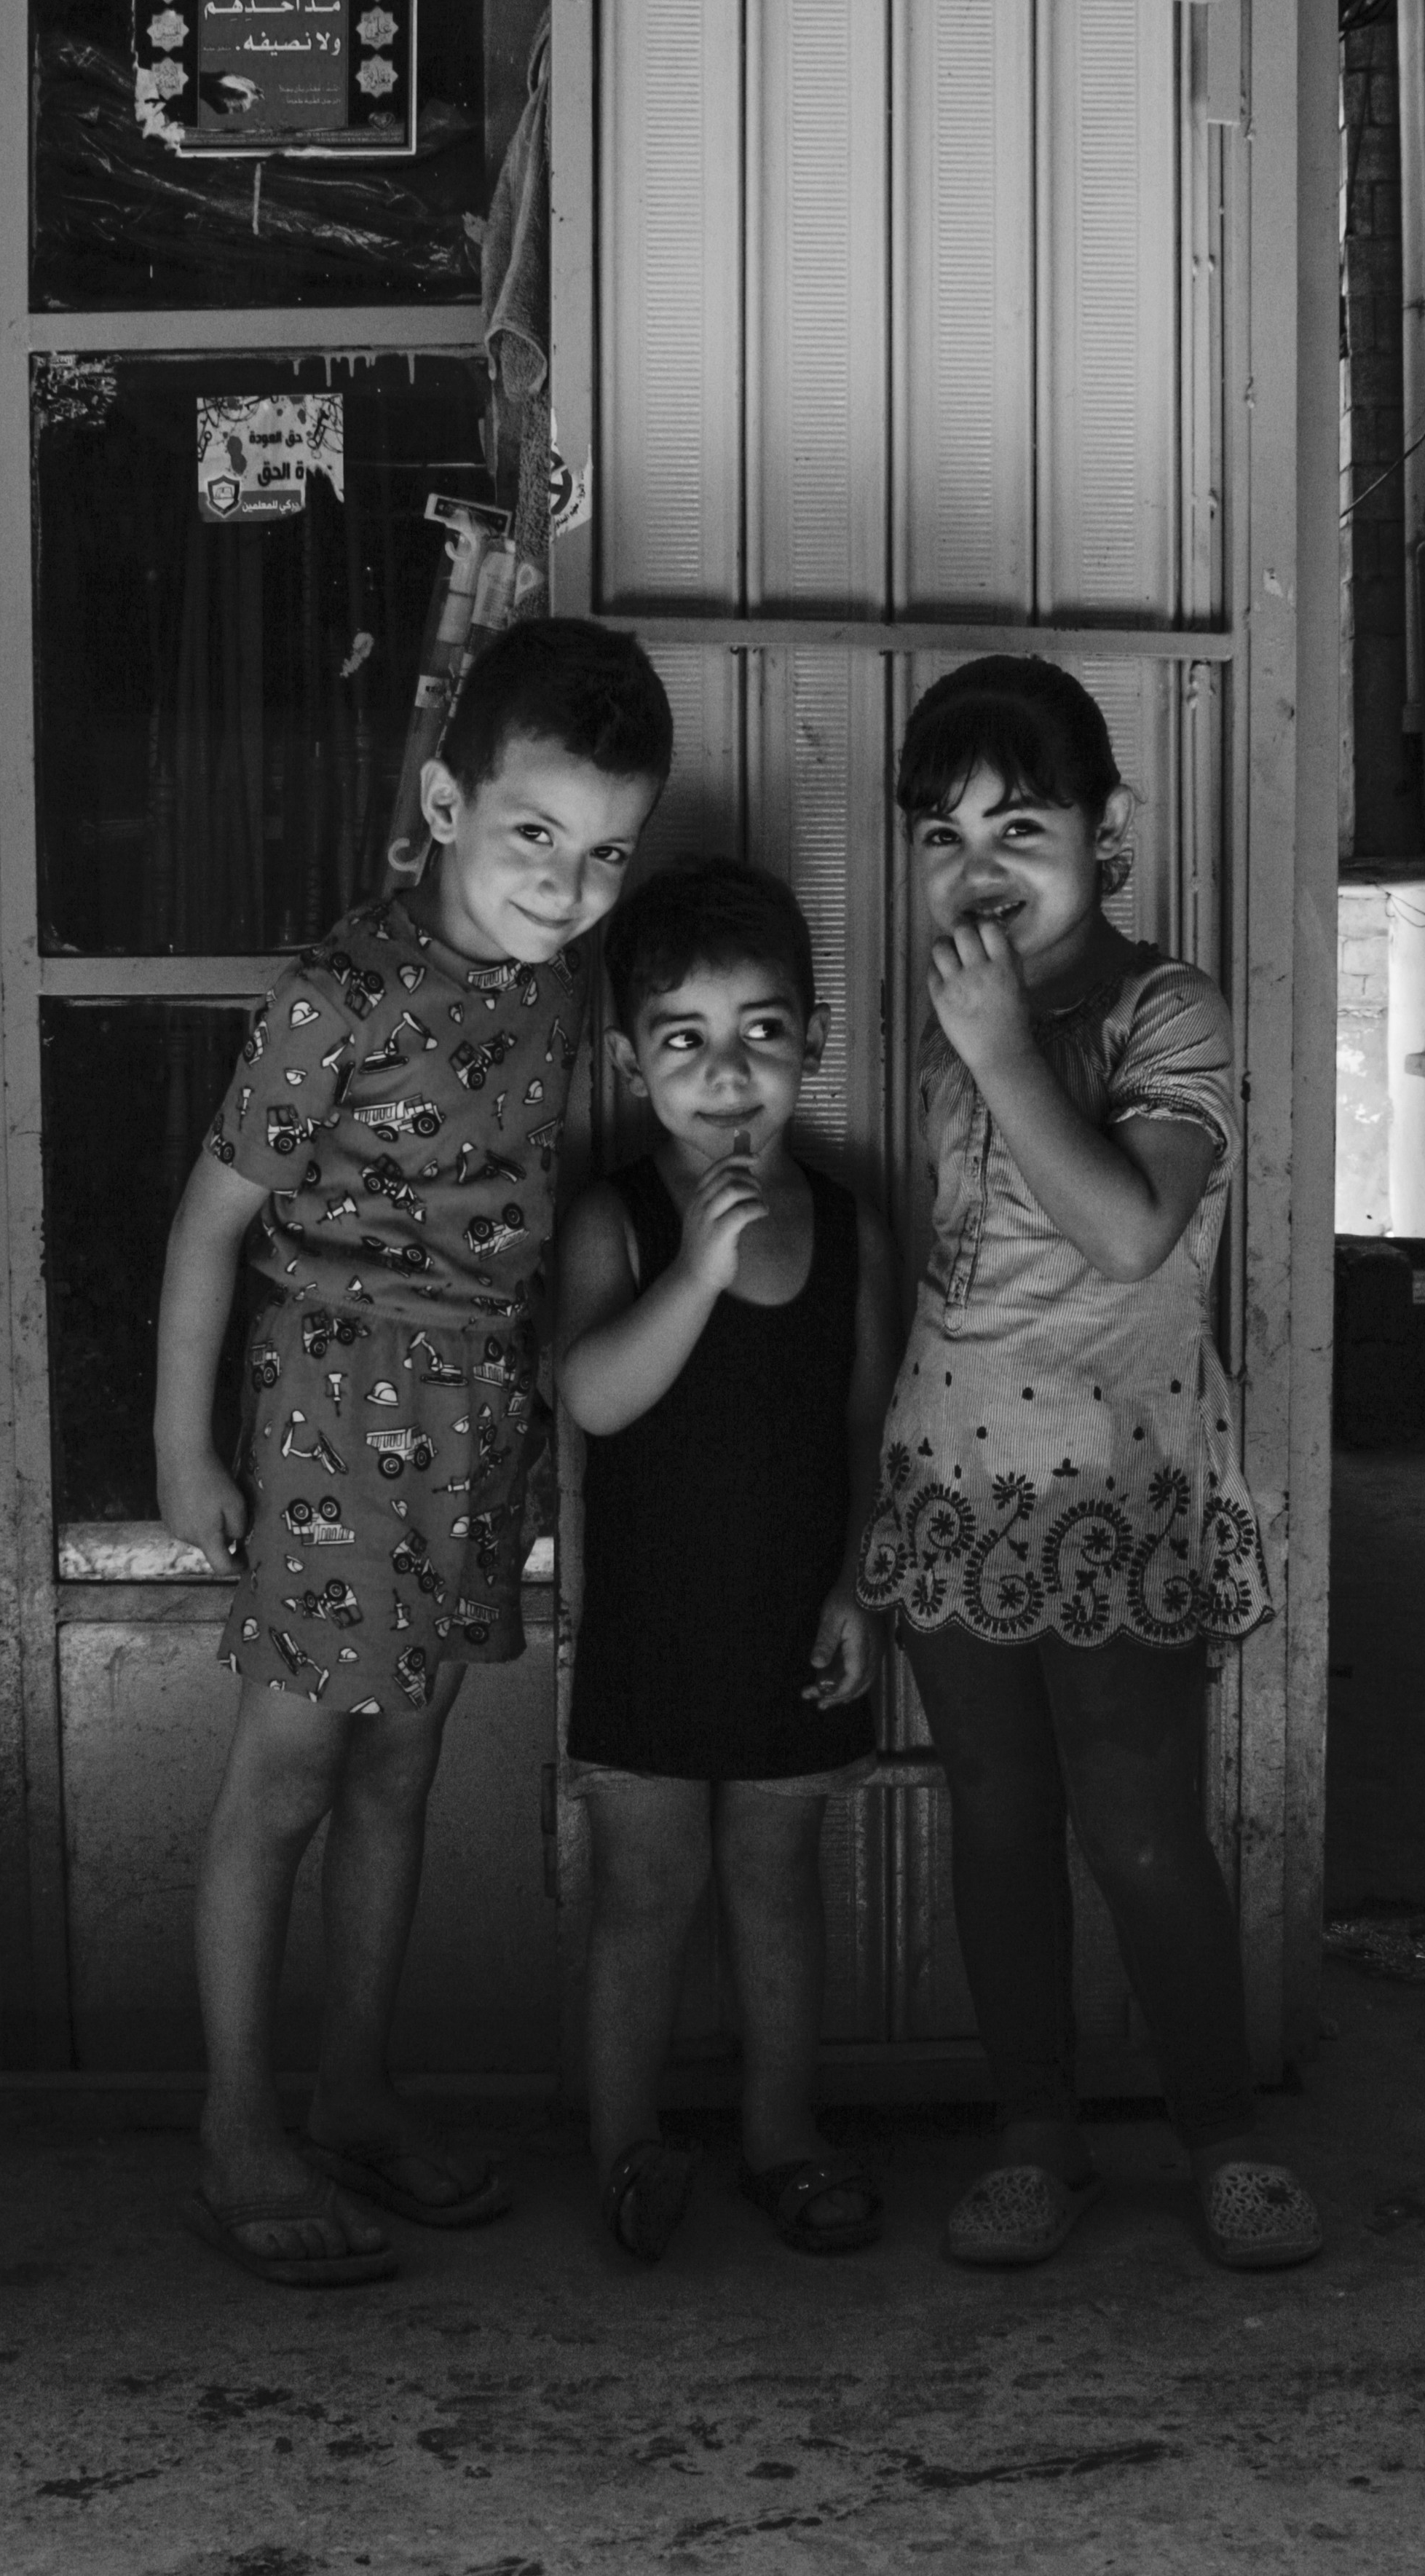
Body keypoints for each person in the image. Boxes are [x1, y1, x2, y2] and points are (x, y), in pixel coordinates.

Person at [155, 618, 673, 2286]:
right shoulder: (338, 997)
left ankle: (358, 2091)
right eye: (538, 835)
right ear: (447, 804)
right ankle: (241, 2121)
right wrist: (182, 1442)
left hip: (478, 1428)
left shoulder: (565, 986)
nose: (569, 883)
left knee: (401, 1774)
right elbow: (212, 1222)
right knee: (288, 1782)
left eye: (606, 855)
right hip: (327, 1416)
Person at [856, 657, 1321, 2274]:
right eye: (940, 835)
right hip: (951, 1490)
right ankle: (1033, 2138)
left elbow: (1132, 1230)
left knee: (1137, 1828)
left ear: (1108, 832)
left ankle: (1224, 2137)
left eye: (1020, 826)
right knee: (994, 1816)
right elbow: (940, 1269)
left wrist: (993, 1051)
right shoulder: (949, 1032)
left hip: (1112, 1498)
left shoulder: (1160, 1007)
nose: (976, 872)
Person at [556, 858, 900, 2263]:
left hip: (789, 1620)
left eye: (763, 1033)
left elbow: (874, 1423)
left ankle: (782, 2134)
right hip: (647, 1621)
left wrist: (858, 1584)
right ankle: (624, 2144)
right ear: (635, 1063)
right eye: (686, 1042)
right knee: (647, 1891)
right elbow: (589, 1397)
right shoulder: (617, 1221)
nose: (727, 1073)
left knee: (774, 1883)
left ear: (811, 1043)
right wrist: (695, 1267)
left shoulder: (848, 1223)